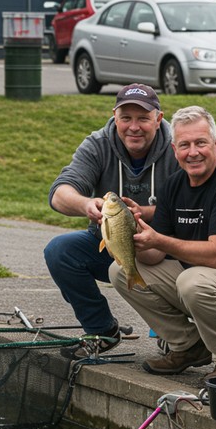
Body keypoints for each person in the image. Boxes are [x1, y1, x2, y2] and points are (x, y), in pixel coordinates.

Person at [108, 105, 216, 383]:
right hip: (199, 277)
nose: (193, 152)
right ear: (175, 150)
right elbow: (154, 255)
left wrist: (159, 239)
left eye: (201, 143)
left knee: (193, 280)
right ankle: (189, 346)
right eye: (184, 145)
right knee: (121, 270)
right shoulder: (174, 185)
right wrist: (135, 235)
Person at [44, 83, 179, 358]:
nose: (134, 127)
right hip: (111, 244)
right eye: (126, 118)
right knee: (60, 251)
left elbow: (194, 208)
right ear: (114, 117)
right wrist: (85, 204)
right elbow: (59, 193)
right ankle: (101, 330)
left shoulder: (179, 147)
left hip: (166, 248)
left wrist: (146, 214)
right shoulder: (97, 143)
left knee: (187, 256)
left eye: (143, 118)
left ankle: (175, 331)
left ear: (158, 118)